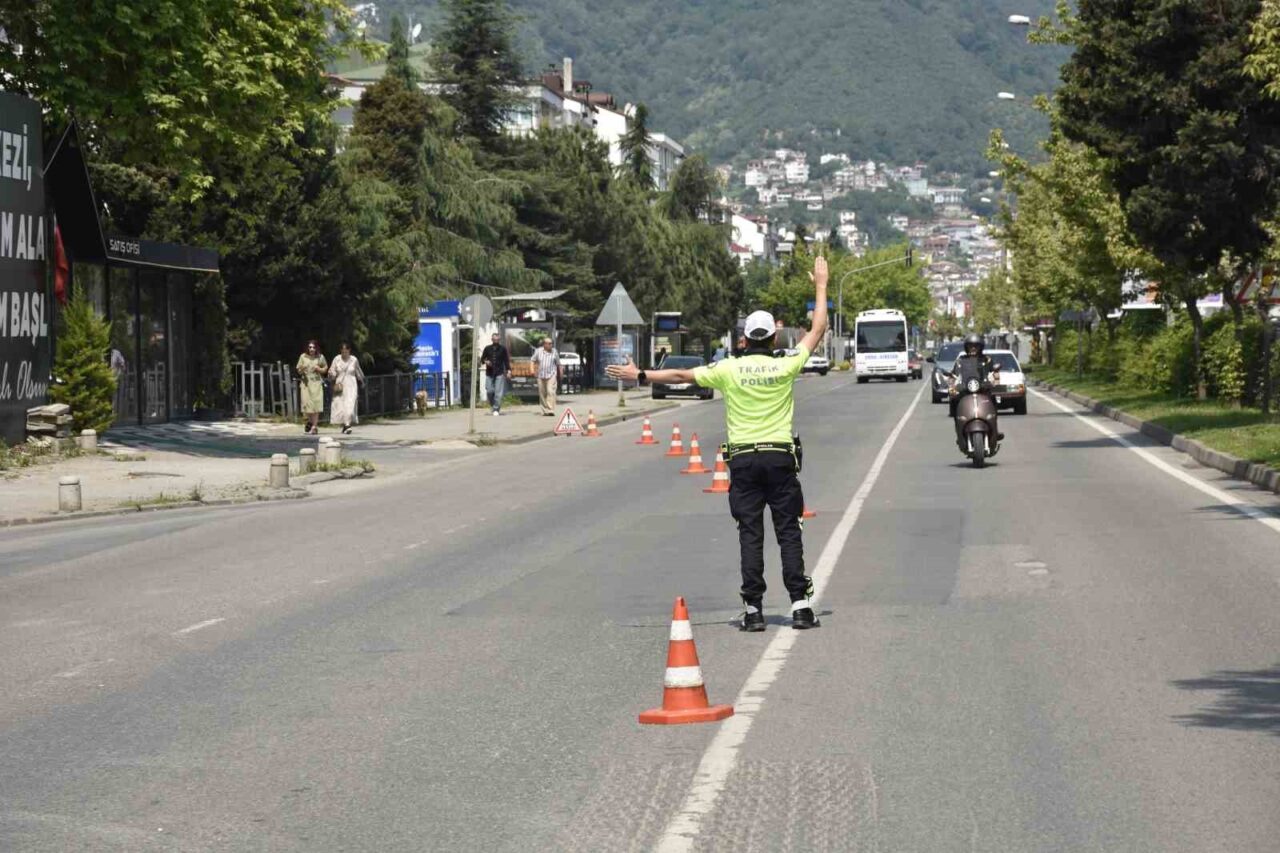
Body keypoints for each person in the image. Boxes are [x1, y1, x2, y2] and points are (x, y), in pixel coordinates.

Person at [608, 256, 830, 632]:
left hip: (743, 462)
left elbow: (681, 373)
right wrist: (821, 285)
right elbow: (818, 328)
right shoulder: (785, 365)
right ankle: (800, 606)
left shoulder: (728, 368)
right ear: (773, 338)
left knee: (750, 534)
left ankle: (754, 610)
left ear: (744, 339)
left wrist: (641, 373)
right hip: (780, 459)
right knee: (788, 530)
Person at [327, 342, 365, 434]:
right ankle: (346, 425)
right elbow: (333, 373)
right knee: (340, 406)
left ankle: (347, 425)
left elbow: (358, 372)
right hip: (340, 385)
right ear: (340, 351)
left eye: (346, 351)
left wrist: (362, 381)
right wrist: (331, 374)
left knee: (350, 405)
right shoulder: (337, 359)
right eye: (343, 352)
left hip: (351, 385)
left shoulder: (354, 360)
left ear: (349, 351)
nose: (344, 353)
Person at [296, 340, 328, 435]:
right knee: (307, 405)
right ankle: (310, 422)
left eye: (313, 347)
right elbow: (298, 370)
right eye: (310, 347)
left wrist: (319, 369)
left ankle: (314, 427)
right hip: (306, 383)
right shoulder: (303, 356)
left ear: (316, 348)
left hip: (316, 383)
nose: (312, 349)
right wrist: (302, 369)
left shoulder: (320, 357)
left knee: (315, 405)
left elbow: (325, 368)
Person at [480, 332, 512, 416]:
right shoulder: (487, 348)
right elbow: (482, 359)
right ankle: (493, 405)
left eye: (497, 339)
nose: (496, 341)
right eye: (494, 339)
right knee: (489, 390)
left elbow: (506, 361)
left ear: (499, 340)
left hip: (499, 373)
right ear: (492, 339)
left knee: (498, 392)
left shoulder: (503, 349)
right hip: (489, 373)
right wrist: (486, 361)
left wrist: (508, 370)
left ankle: (496, 409)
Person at [530, 337, 560, 416]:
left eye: (551, 343)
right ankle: (544, 410)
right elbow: (532, 360)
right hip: (541, 375)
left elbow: (558, 363)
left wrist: (561, 373)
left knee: (550, 391)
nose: (551, 345)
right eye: (549, 343)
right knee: (542, 393)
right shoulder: (538, 351)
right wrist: (532, 370)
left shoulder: (554, 352)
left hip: (551, 374)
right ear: (544, 344)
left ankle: (550, 409)